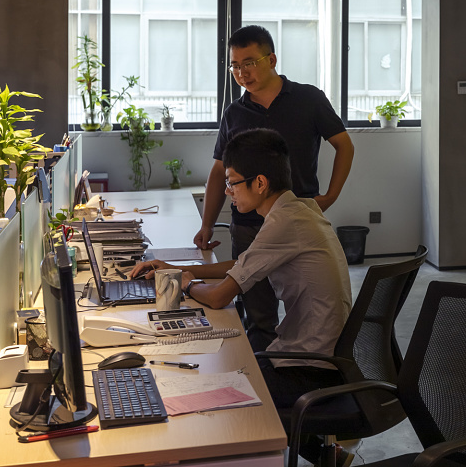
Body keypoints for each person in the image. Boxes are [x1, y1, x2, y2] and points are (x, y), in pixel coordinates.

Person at [133, 128, 352, 409]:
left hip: (310, 369)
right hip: (323, 356)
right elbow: (243, 263)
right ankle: (321, 451)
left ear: (260, 183)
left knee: (209, 381)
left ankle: (296, 444)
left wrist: (186, 284)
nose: (228, 192)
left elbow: (218, 297)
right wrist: (176, 268)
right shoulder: (300, 208)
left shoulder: (283, 223)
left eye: (232, 183)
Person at [194, 24, 354, 349]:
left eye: (249, 62)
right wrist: (207, 223)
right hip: (249, 224)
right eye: (235, 65)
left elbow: (344, 146)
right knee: (257, 314)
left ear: (272, 59)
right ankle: (263, 372)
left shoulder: (308, 99)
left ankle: (273, 379)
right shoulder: (234, 113)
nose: (241, 72)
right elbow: (218, 171)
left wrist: (331, 196)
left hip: (295, 215)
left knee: (300, 298)